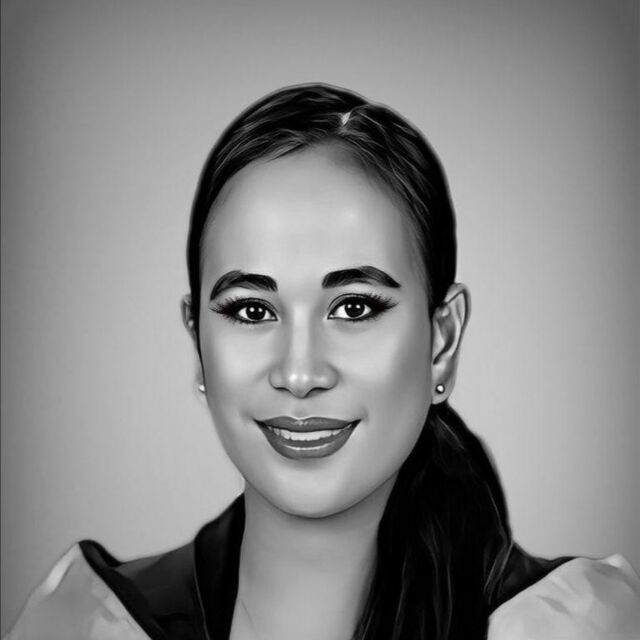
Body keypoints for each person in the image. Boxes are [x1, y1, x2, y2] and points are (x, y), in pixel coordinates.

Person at [5, 84, 639, 640]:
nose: (301, 374)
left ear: (441, 339)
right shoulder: (84, 623)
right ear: (197, 340)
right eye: (252, 310)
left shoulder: (576, 626)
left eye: (355, 308)